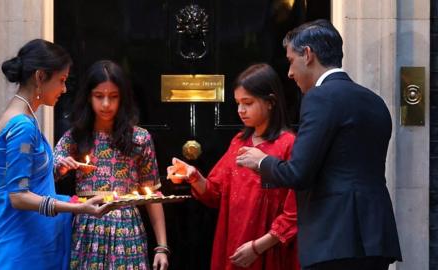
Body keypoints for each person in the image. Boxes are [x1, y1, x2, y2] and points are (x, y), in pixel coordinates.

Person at [236, 19, 403, 270]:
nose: (290, 73)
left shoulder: (319, 97)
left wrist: (261, 161)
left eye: (291, 61)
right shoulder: (374, 101)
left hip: (334, 238)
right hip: (375, 236)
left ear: (308, 54)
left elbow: (299, 173)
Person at [0, 39, 110, 270]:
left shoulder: (19, 118)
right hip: (22, 249)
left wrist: (56, 170)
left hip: (21, 240)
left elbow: (21, 180)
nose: (64, 89)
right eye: (61, 81)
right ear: (40, 77)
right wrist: (78, 208)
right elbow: (18, 197)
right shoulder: (22, 126)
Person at [167, 63, 299, 270]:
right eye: (238, 103)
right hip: (234, 240)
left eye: (247, 103)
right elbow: (214, 193)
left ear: (270, 102)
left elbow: (294, 211)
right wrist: (193, 176)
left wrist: (258, 246)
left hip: (269, 248)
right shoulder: (239, 141)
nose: (240, 110)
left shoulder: (288, 144)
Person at [53, 60, 169, 270]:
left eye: (113, 97)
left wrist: (162, 247)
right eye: (99, 96)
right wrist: (62, 166)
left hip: (127, 232)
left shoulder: (139, 139)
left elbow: (152, 195)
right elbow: (47, 176)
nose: (106, 104)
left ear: (122, 99)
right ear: (89, 97)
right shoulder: (75, 137)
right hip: (87, 230)